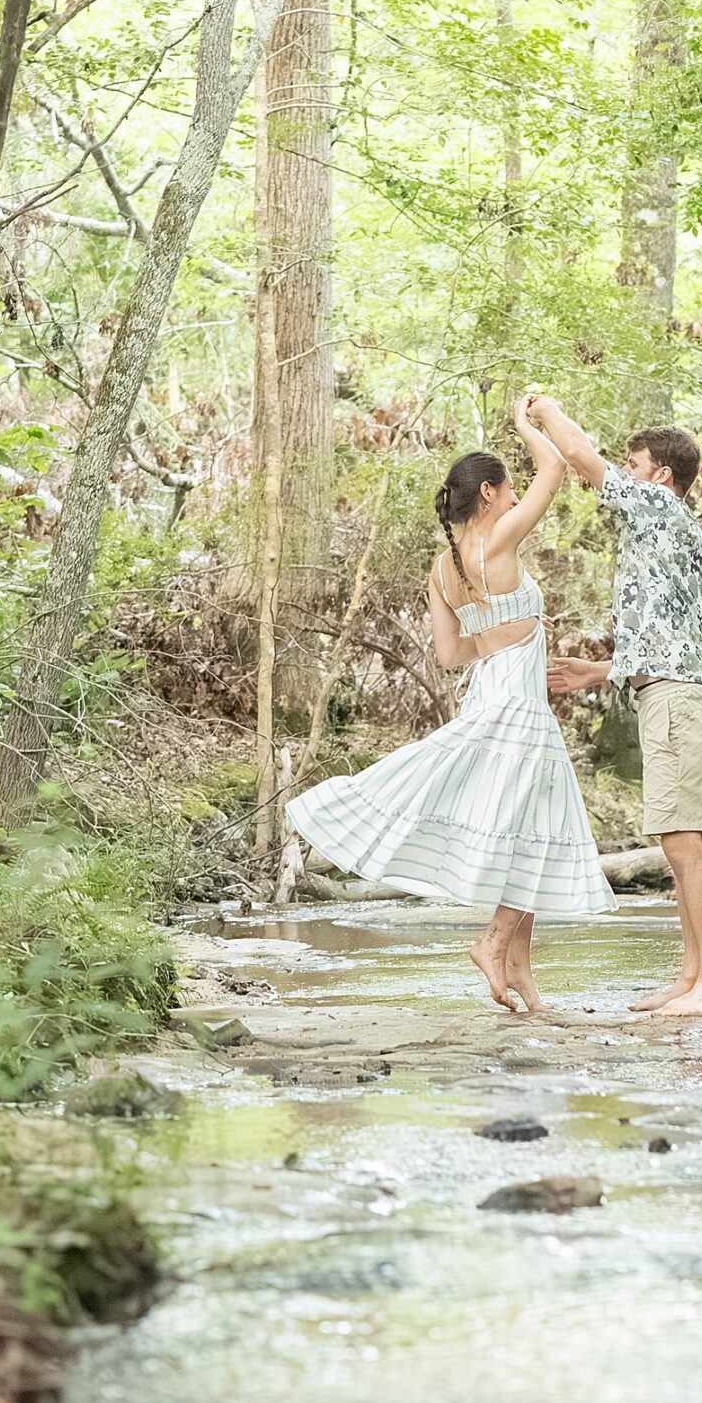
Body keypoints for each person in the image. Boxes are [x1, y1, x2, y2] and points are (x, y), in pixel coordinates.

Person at [287, 397, 614, 1013]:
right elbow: (558, 472)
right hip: (516, 706)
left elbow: (450, 654)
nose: (518, 499)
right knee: (537, 835)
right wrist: (528, 424)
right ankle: (493, 944)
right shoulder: (497, 540)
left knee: (527, 832)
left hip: (494, 689)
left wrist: (506, 637)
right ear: (488, 494)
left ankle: (520, 972)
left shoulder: (442, 568)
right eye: (509, 489)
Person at [525, 395, 702, 1019]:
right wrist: (600, 672)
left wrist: (543, 407)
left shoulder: (660, 506)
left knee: (685, 844)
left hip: (679, 699)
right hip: (671, 692)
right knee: (678, 843)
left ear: (661, 475)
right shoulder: (669, 527)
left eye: (635, 464)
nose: (626, 472)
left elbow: (583, 457)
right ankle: (692, 975)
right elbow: (667, 635)